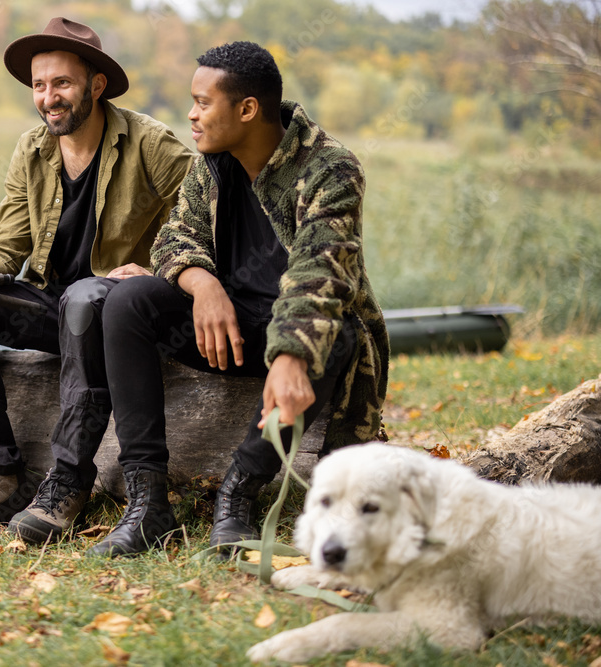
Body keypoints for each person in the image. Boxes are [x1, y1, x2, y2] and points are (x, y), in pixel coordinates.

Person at [88, 41, 389, 557]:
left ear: (246, 109)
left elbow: (321, 273)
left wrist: (291, 354)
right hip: (224, 332)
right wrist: (203, 285)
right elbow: (173, 239)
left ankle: (238, 497)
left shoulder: (330, 169)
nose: (191, 114)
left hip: (296, 336)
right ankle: (147, 504)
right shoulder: (212, 161)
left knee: (336, 335)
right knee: (126, 300)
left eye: (203, 102)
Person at [0, 18, 194, 544]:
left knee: (86, 297)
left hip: (120, 315)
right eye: (39, 86)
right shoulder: (32, 149)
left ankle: (68, 481)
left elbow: (210, 219)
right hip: (56, 308)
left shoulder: (151, 142)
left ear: (96, 85)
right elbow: (7, 249)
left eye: (61, 83)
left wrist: (160, 270)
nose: (48, 98)